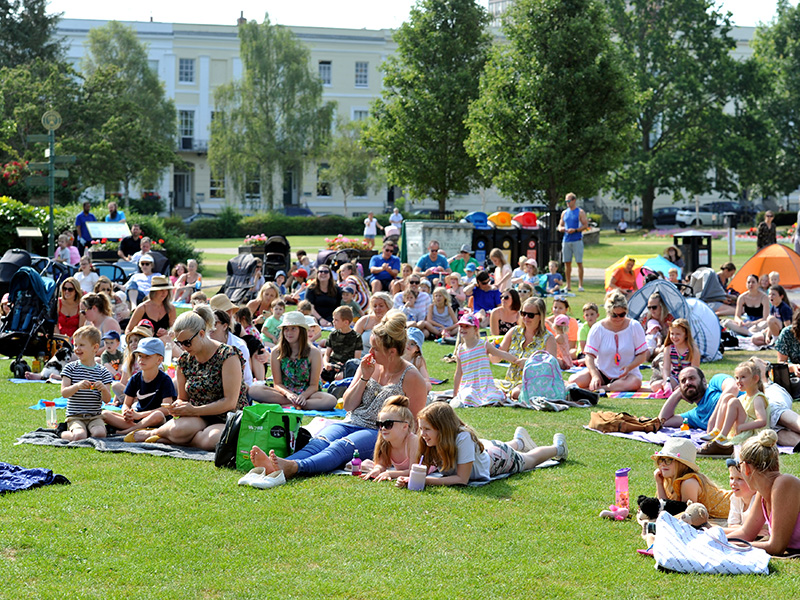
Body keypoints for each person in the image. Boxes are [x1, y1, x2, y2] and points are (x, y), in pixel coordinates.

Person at [250, 310, 428, 479]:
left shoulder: (412, 377)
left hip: (379, 432)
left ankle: (295, 467)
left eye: (375, 348)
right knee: (319, 441)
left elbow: (412, 426)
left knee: (340, 447)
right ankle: (281, 464)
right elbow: (348, 405)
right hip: (351, 421)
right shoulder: (368, 365)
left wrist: (394, 454)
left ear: (392, 352)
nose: (370, 352)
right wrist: (364, 378)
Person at [130, 306, 248, 449]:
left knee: (211, 439)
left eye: (187, 342)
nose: (184, 347)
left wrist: (194, 410)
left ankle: (165, 438)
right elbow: (183, 398)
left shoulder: (228, 355)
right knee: (178, 430)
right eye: (179, 343)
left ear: (202, 334)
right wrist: (177, 406)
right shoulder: (184, 360)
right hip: (198, 417)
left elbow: (230, 402)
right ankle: (157, 434)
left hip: (227, 417)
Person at [395, 403, 567, 487]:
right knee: (494, 449)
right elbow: (420, 469)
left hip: (499, 458)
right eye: (421, 428)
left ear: (442, 428)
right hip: (487, 451)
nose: (422, 434)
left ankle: (558, 448)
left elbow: (462, 479)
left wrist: (424, 481)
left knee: (529, 460)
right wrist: (406, 478)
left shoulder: (463, 437)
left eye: (427, 429)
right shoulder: (430, 441)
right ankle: (520, 441)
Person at [725, 430, 800, 555]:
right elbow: (746, 533)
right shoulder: (763, 492)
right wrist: (714, 541)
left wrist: (726, 545)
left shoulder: (785, 483)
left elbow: (776, 546)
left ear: (746, 468)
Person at [568, 291, 646, 393]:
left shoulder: (634, 326)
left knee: (635, 382)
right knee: (574, 381)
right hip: (601, 372)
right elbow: (589, 356)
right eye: (614, 315)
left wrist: (629, 367)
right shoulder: (598, 328)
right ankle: (603, 387)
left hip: (626, 375)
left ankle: (604, 388)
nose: (618, 318)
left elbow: (642, 354)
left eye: (622, 315)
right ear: (608, 313)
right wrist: (595, 376)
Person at [105, 337, 175, 436]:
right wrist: (126, 412)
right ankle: (138, 429)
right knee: (105, 414)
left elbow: (166, 410)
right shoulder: (135, 378)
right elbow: (126, 404)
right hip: (137, 419)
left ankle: (127, 431)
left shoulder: (165, 380)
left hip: (156, 419)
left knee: (158, 415)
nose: (141, 359)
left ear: (159, 360)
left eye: (147, 356)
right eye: (140, 356)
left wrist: (140, 415)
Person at [452, 314, 523, 407]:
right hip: (469, 386)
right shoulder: (460, 350)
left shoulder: (483, 345)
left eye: (467, 326)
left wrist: (516, 361)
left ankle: (485, 399)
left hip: (485, 385)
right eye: (461, 326)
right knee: (468, 396)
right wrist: (455, 394)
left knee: (494, 397)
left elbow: (501, 354)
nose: (463, 329)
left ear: (475, 329)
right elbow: (458, 373)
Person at [699, 360, 769, 454]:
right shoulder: (743, 397)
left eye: (743, 377)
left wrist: (741, 427)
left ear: (755, 379)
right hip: (741, 430)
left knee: (733, 401)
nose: (738, 381)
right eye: (737, 378)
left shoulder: (758, 398)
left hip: (751, 433)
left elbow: (762, 421)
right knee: (727, 396)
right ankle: (717, 430)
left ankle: (723, 436)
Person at [651, 437, 731, 519]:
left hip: (733, 504)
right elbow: (663, 507)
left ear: (681, 463)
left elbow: (688, 515)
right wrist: (659, 483)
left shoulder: (689, 483)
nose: (663, 464)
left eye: (668, 460)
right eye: (661, 460)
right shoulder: (672, 481)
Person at [496, 298, 557, 401]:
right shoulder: (514, 332)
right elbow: (495, 359)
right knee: (484, 386)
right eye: (523, 313)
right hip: (511, 381)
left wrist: (530, 363)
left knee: (516, 393)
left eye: (530, 315)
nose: (526, 317)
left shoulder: (548, 338)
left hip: (535, 382)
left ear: (540, 316)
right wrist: (493, 350)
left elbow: (551, 367)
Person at [60, 325, 113, 441]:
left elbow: (107, 399)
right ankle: (61, 432)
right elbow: (64, 393)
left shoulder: (103, 372)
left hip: (95, 416)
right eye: (75, 345)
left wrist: (103, 389)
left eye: (82, 345)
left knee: (99, 434)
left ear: (95, 347)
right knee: (79, 436)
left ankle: (88, 431)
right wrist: (77, 386)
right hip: (75, 416)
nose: (77, 348)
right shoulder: (70, 368)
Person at [657, 366, 737, 430]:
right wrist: (677, 394)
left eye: (692, 378)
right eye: (683, 381)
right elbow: (663, 421)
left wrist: (713, 419)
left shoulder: (715, 383)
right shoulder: (695, 416)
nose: (687, 383)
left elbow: (733, 388)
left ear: (704, 381)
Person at [360, 395, 418, 481]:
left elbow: (414, 471)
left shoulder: (413, 441)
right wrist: (377, 469)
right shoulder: (385, 440)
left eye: (388, 424)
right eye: (380, 424)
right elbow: (381, 464)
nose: (383, 428)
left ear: (405, 426)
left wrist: (389, 473)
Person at [650, 319, 699, 395]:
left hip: (689, 378)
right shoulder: (669, 348)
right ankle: (669, 390)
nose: (674, 337)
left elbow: (695, 371)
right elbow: (666, 368)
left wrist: (684, 384)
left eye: (678, 334)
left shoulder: (693, 350)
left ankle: (677, 390)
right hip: (675, 377)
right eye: (672, 333)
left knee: (688, 388)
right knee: (655, 386)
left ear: (686, 334)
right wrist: (667, 382)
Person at [125, 275, 175, 340]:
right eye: (161, 290)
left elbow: (173, 329)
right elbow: (129, 330)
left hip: (163, 342)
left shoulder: (170, 308)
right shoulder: (142, 308)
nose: (164, 293)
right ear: (154, 291)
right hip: (144, 343)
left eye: (166, 290)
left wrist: (168, 333)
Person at [321, 306, 362, 382]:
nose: (333, 321)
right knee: (318, 373)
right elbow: (327, 354)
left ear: (346, 322)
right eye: (333, 319)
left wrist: (343, 367)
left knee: (339, 377)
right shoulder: (333, 335)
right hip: (333, 365)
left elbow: (356, 360)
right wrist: (326, 364)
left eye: (336, 320)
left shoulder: (356, 337)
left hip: (347, 367)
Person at [557, 192, 588, 292]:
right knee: (567, 263)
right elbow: (560, 225)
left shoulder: (580, 212)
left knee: (579, 262)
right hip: (566, 240)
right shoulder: (564, 213)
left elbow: (585, 225)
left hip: (577, 240)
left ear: (574, 200)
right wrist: (561, 229)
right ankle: (568, 285)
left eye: (569, 201)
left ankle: (580, 285)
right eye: (566, 201)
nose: (567, 203)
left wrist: (575, 230)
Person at [723, 457, 759, 533]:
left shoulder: (759, 499)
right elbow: (732, 525)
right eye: (731, 478)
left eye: (739, 479)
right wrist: (749, 530)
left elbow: (764, 529)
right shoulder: (735, 498)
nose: (733, 483)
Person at [402, 327, 430, 392]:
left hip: (414, 387)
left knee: (427, 385)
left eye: (412, 344)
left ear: (417, 349)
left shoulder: (418, 360)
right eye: (407, 342)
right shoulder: (398, 356)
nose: (408, 345)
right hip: (399, 385)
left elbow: (426, 379)